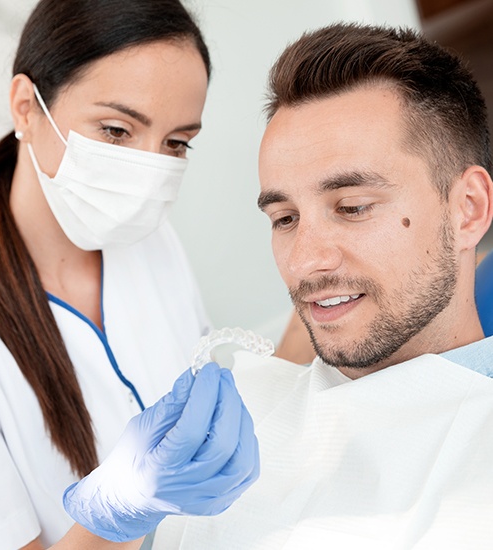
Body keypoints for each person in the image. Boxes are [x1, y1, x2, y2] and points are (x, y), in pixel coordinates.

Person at [148, 23, 493, 548]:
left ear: (467, 209)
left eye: (352, 208)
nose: (306, 261)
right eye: (284, 218)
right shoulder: (242, 417)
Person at [0, 1, 259, 549]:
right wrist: (116, 511)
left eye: (176, 142)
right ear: (26, 107)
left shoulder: (149, 238)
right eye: (116, 129)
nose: (149, 168)